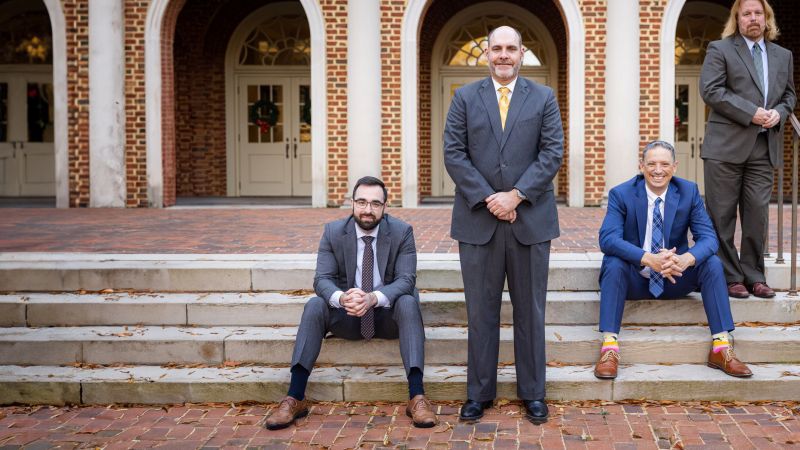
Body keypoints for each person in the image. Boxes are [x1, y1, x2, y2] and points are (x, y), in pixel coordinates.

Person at [443, 25, 563, 424]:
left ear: (522, 52)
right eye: (497, 49)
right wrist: (491, 199)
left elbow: (552, 153)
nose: (504, 55)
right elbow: (454, 153)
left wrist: (516, 195)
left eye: (511, 48)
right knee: (481, 312)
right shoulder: (464, 98)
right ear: (487, 54)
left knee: (531, 312)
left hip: (531, 219)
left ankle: (533, 393)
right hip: (479, 221)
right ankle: (479, 393)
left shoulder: (543, 97)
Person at [265, 176, 436, 430]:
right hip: (348, 315)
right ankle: (295, 397)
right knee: (314, 305)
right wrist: (342, 298)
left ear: (385, 206)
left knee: (409, 301)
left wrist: (372, 298)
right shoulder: (333, 232)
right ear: (352, 203)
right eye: (362, 202)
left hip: (387, 316)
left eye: (375, 204)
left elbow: (406, 280)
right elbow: (322, 279)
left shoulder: (402, 232)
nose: (368, 210)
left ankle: (417, 397)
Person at [595, 140, 752, 380]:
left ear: (675, 167)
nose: (658, 170)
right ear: (641, 166)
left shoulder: (688, 192)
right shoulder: (622, 193)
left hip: (675, 277)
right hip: (635, 279)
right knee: (614, 262)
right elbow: (607, 239)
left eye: (664, 164)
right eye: (652, 164)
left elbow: (709, 238)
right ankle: (609, 348)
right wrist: (648, 259)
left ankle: (721, 348)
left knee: (711, 263)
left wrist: (686, 259)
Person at [700, 0, 796, 299]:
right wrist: (751, 112)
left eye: (758, 13)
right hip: (724, 147)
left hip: (764, 146)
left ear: (766, 18)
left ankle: (754, 276)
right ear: (737, 19)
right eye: (746, 14)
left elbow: (790, 94)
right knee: (722, 216)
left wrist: (780, 112)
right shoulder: (721, 49)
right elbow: (711, 90)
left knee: (757, 215)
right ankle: (729, 277)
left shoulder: (783, 55)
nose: (753, 19)